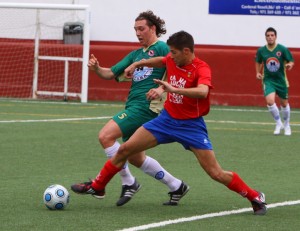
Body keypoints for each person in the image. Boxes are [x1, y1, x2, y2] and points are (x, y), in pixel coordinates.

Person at [72, 31, 267, 215]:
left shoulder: (201, 67)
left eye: (174, 52)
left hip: (191, 126)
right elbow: (160, 60)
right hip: (165, 121)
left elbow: (203, 92)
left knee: (215, 173)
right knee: (125, 150)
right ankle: (97, 187)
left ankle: (254, 196)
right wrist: (139, 63)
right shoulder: (172, 60)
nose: (170, 56)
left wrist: (173, 89)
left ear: (187, 51)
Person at [71, 11, 189, 206]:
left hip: (146, 107)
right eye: (135, 29)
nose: (137, 33)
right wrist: (97, 68)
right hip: (133, 105)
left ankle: (126, 182)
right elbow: (110, 74)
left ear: (153, 28)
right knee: (134, 157)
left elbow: (177, 69)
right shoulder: (135, 54)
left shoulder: (161, 48)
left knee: (106, 136)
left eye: (141, 29)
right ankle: (176, 185)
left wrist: (161, 88)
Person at [255, 27, 294, 136]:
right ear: (265, 37)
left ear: (275, 37)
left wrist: (290, 64)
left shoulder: (282, 49)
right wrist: (258, 72)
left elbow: (291, 60)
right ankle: (278, 123)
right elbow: (258, 61)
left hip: (281, 81)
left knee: (284, 104)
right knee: (270, 101)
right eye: (268, 35)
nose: (270, 37)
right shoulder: (261, 50)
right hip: (268, 80)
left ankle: (287, 124)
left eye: (272, 35)